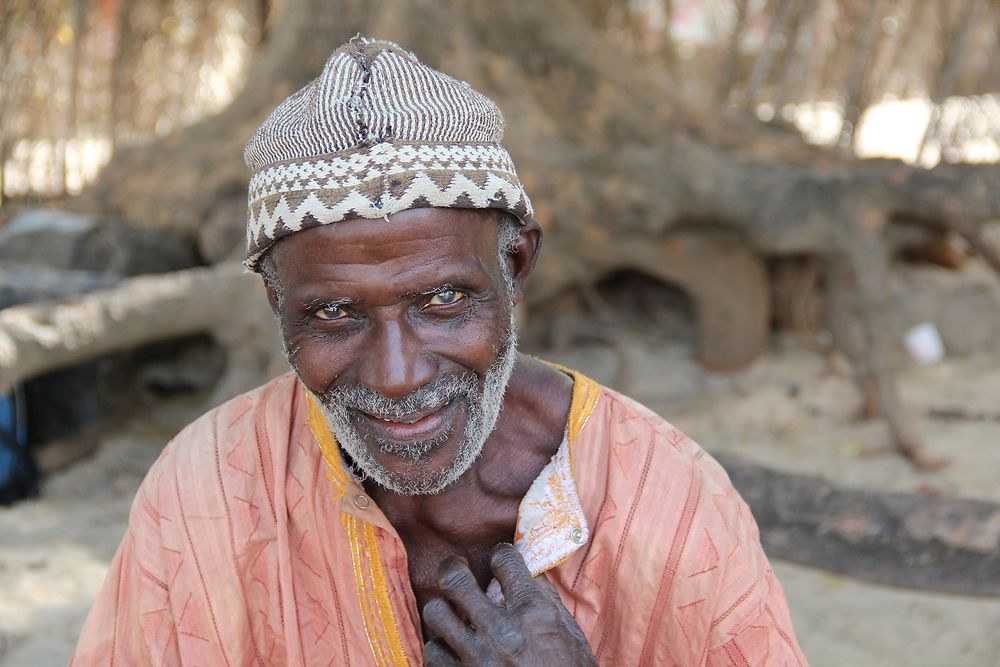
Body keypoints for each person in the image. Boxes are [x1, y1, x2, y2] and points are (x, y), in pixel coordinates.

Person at [73, 37, 807, 666]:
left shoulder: (668, 507)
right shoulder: (204, 493)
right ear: (276, 304)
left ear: (515, 268)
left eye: (443, 301)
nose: (397, 376)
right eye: (333, 312)